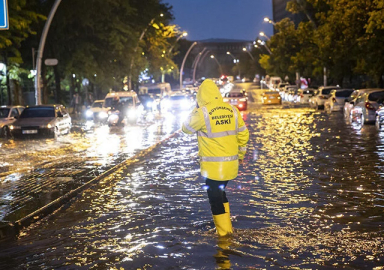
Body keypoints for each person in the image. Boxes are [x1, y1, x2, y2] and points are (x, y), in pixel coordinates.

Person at [182, 79, 249, 237]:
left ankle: (224, 235)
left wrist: (195, 109)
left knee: (215, 198)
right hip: (231, 165)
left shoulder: (202, 112)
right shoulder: (232, 110)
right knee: (221, 192)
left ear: (201, 96)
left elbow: (185, 128)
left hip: (213, 168)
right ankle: (227, 228)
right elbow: (243, 134)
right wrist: (241, 155)